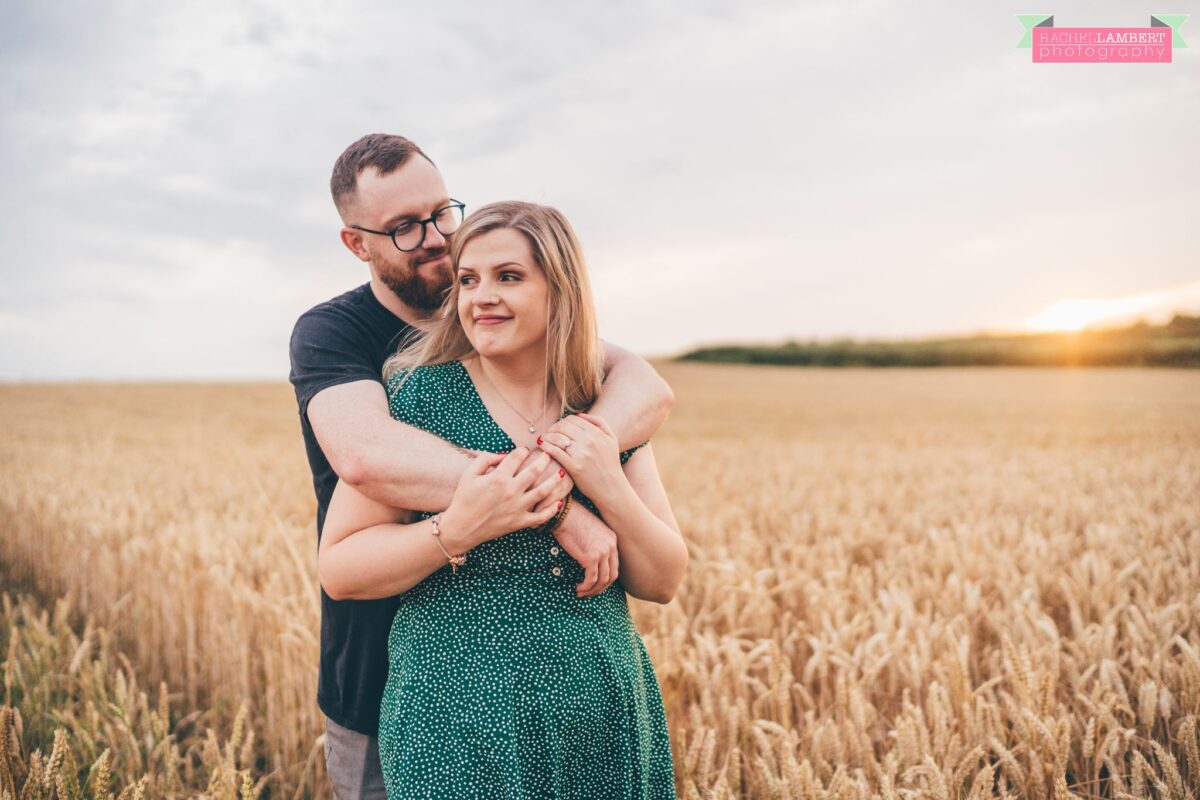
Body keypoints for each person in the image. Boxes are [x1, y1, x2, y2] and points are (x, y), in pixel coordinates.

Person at [288, 134, 675, 799]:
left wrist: (597, 457)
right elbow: (363, 456)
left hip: (595, 707)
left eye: (443, 213)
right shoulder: (364, 355)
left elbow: (643, 384)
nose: (439, 240)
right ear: (359, 244)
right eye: (406, 229)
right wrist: (555, 503)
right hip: (413, 683)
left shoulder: (574, 384)